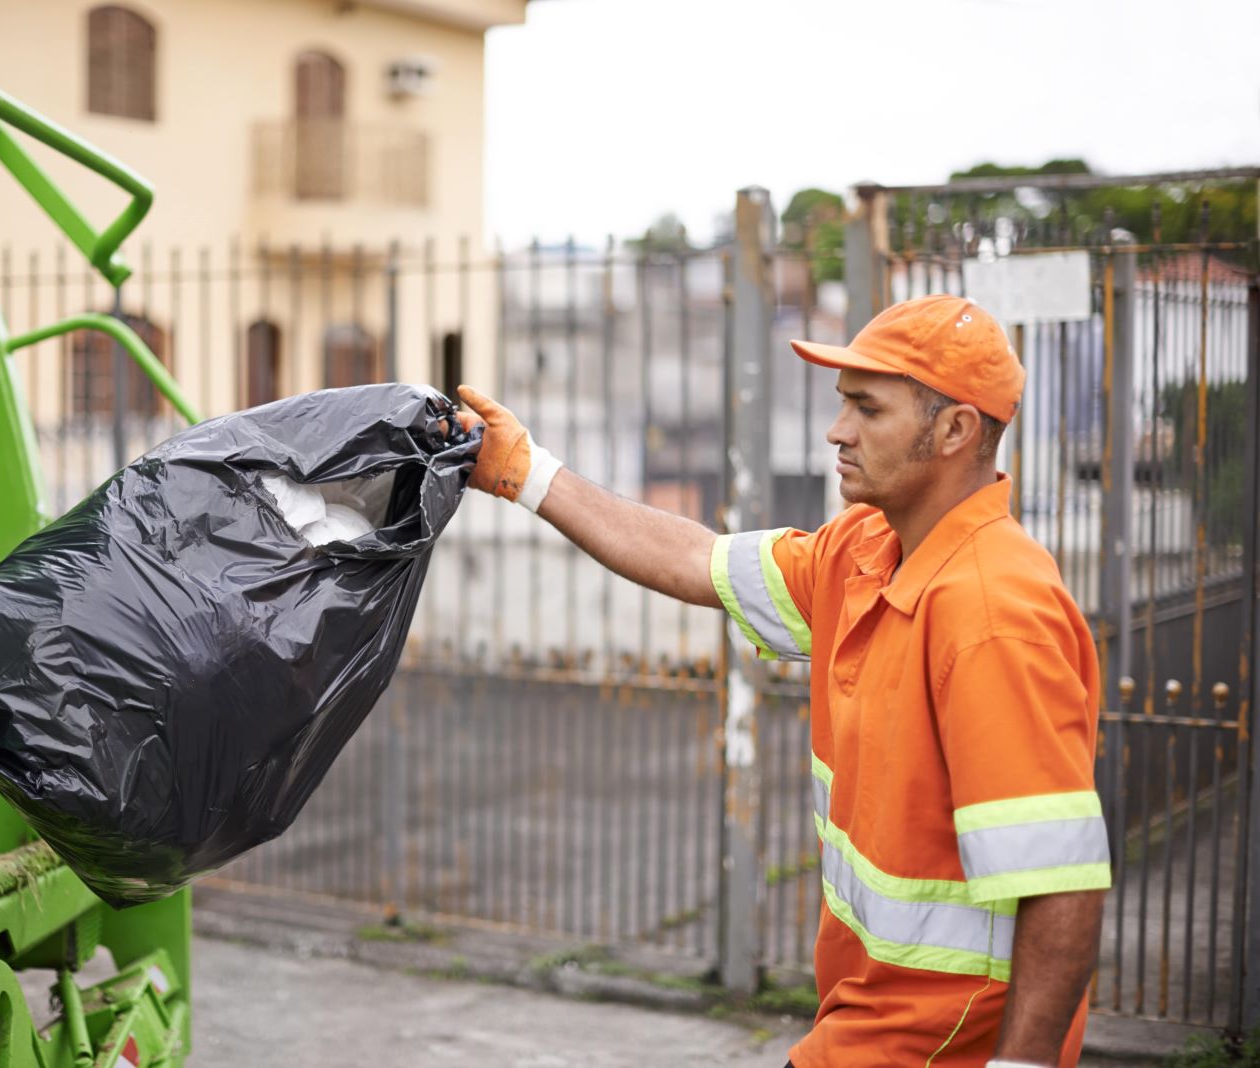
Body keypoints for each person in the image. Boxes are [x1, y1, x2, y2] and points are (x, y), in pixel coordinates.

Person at [455, 294, 1111, 1068]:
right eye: (842, 407)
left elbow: (1063, 884)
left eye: (867, 409)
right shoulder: (865, 550)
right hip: (866, 1025)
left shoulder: (993, 613)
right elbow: (694, 558)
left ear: (956, 430)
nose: (837, 431)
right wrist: (525, 473)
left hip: (942, 1047)